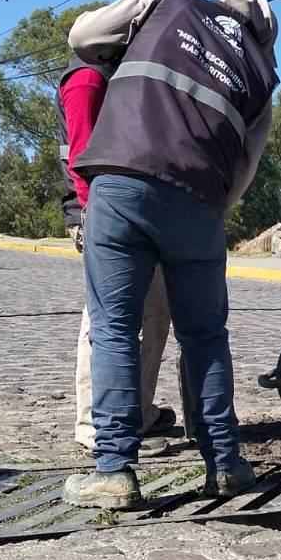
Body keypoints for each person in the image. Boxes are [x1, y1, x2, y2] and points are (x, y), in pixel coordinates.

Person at [61, 0, 279, 509]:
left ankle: (114, 471)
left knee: (115, 328)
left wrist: (136, 17)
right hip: (200, 203)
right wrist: (203, 212)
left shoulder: (164, 4)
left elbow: (82, 37)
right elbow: (243, 170)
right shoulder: (259, 74)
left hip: (123, 181)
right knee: (204, 337)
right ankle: (224, 465)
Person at [56, 56, 178, 459]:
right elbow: (81, 156)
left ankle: (137, 412)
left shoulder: (127, 76)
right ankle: (96, 424)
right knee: (108, 320)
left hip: (138, 214)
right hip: (101, 215)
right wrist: (97, 222)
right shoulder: (88, 80)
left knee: (156, 313)